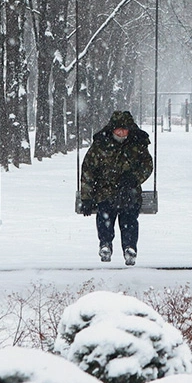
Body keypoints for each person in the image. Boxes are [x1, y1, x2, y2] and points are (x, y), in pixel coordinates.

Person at [78, 110, 153, 266]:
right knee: (105, 213)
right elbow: (88, 170)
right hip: (105, 191)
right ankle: (105, 244)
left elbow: (147, 166)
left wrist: (134, 179)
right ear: (112, 129)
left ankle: (130, 247)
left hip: (129, 191)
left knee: (129, 216)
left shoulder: (137, 144)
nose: (121, 132)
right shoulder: (100, 145)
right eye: (118, 129)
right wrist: (86, 197)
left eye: (125, 129)